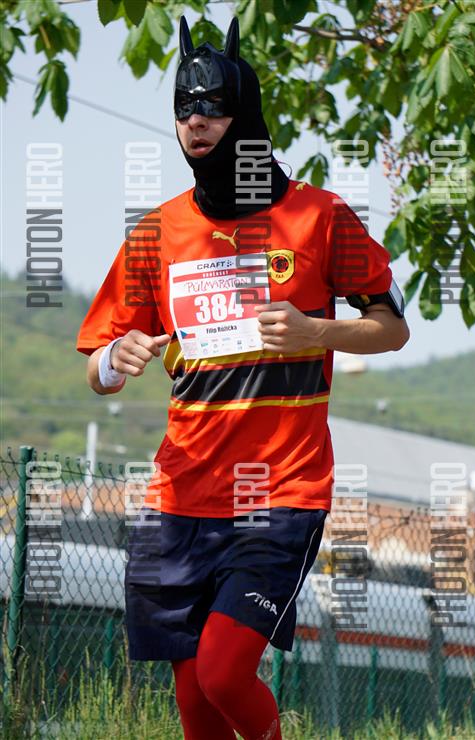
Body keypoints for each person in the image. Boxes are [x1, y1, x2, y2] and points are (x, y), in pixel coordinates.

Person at [76, 16, 409, 740]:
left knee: (225, 672)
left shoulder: (318, 217)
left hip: (279, 491)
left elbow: (392, 326)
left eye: (213, 108)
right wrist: (115, 357)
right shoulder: (156, 233)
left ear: (246, 116)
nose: (195, 122)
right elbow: (98, 366)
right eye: (184, 110)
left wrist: (317, 331)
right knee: (194, 697)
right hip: (180, 493)